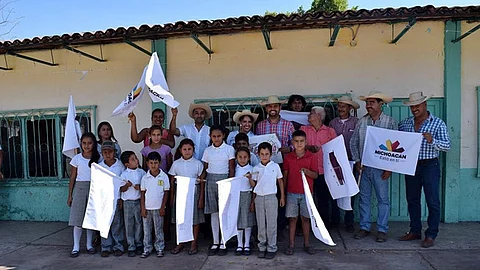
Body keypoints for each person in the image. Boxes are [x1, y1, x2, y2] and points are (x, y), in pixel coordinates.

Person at [398, 92, 451, 248]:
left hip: (430, 165)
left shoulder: (438, 123)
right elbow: (399, 143)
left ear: (425, 105)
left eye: (417, 106)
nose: (414, 109)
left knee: (432, 200)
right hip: (411, 165)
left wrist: (432, 140)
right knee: (412, 200)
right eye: (412, 106)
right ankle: (415, 231)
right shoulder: (405, 124)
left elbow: (447, 146)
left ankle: (431, 234)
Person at [350, 91, 398, 243]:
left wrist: (389, 167)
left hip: (381, 168)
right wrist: (357, 161)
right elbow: (353, 142)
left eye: (372, 102)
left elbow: (395, 146)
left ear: (380, 104)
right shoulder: (362, 122)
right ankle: (364, 227)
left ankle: (382, 229)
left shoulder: (390, 122)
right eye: (367, 102)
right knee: (364, 198)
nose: (368, 105)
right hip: (364, 166)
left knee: (382, 199)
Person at [256, 95, 294, 242]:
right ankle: (264, 231)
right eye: (270, 106)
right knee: (266, 196)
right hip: (264, 166)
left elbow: (294, 143)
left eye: (275, 106)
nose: (272, 108)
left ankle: (280, 226)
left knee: (281, 196)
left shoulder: (288, 125)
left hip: (282, 165)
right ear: (266, 108)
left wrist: (288, 148)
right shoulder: (260, 126)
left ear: (280, 108)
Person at [300, 107, 337, 228]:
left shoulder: (330, 131)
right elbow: (296, 145)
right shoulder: (303, 129)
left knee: (323, 200)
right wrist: (308, 148)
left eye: (311, 113)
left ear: (319, 116)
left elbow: (335, 151)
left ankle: (323, 226)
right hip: (307, 170)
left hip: (324, 170)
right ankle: (305, 226)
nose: (308, 115)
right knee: (306, 200)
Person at [283, 130, 318, 256]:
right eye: (296, 141)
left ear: (306, 142)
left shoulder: (311, 157)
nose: (299, 144)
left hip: (307, 194)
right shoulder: (288, 158)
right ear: (292, 142)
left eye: (301, 141)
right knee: (292, 219)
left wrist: (306, 171)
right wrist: (284, 193)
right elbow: (285, 176)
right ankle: (291, 244)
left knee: (306, 219)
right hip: (291, 192)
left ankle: (307, 243)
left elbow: (315, 175)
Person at [247, 142, 285, 260]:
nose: (264, 156)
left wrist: (282, 196)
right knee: (261, 224)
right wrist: (249, 179)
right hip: (259, 198)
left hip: (271, 197)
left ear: (271, 154)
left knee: (272, 224)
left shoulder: (275, 166)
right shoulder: (256, 168)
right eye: (262, 154)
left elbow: (280, 181)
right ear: (258, 154)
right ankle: (262, 247)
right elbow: (254, 185)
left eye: (266, 154)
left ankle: (272, 247)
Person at [202, 125, 235, 256]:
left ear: (223, 136)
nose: (216, 139)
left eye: (219, 136)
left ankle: (223, 241)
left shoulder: (229, 149)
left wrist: (230, 183)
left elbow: (231, 168)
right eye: (214, 136)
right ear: (210, 137)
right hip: (210, 180)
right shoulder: (207, 150)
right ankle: (215, 241)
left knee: (224, 213)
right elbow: (205, 168)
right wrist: (201, 180)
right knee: (214, 212)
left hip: (224, 181)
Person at [168, 138, 205, 255]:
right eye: (184, 149)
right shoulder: (176, 163)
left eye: (189, 149)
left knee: (194, 219)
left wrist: (201, 198)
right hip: (180, 193)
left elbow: (202, 182)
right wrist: (172, 197)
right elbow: (172, 181)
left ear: (193, 150)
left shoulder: (198, 163)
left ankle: (193, 243)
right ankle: (180, 242)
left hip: (194, 192)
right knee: (181, 219)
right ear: (180, 150)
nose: (187, 151)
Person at [67, 132, 101, 258]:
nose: (87, 146)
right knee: (77, 219)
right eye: (84, 143)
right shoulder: (77, 158)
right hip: (80, 189)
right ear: (81, 144)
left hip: (94, 189)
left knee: (90, 219)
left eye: (90, 143)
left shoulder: (98, 158)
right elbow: (73, 177)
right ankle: (75, 246)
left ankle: (89, 245)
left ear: (94, 144)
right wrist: (70, 195)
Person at [329, 95, 360, 233]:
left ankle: (349, 221)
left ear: (350, 108)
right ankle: (335, 220)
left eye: (344, 106)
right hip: (335, 163)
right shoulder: (332, 123)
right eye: (339, 106)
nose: (340, 108)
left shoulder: (357, 123)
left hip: (352, 162)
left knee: (351, 192)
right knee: (335, 190)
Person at [98, 141, 126, 257]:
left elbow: (123, 183)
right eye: (105, 152)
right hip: (104, 200)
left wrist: (120, 199)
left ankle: (118, 246)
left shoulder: (120, 166)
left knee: (117, 224)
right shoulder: (99, 166)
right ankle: (106, 247)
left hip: (116, 199)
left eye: (110, 151)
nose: (107, 154)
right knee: (104, 225)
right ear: (102, 153)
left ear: (115, 152)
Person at [140, 152, 170, 258]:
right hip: (147, 208)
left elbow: (166, 192)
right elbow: (142, 193)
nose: (153, 165)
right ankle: (147, 248)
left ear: (160, 163)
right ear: (147, 163)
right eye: (151, 163)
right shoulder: (145, 178)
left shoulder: (164, 177)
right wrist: (143, 208)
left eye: (156, 163)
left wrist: (163, 207)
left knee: (158, 229)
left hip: (158, 208)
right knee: (147, 230)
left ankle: (160, 247)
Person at [120, 151, 146, 257]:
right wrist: (127, 186)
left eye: (136, 158)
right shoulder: (124, 174)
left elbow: (145, 186)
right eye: (133, 159)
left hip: (139, 201)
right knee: (129, 224)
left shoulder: (142, 172)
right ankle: (131, 245)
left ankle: (139, 243)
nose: (136, 160)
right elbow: (121, 188)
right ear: (127, 164)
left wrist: (140, 187)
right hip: (128, 202)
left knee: (139, 223)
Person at [234, 147, 256, 256]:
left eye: (245, 157)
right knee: (238, 221)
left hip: (247, 195)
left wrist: (250, 178)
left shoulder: (252, 169)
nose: (242, 159)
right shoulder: (234, 169)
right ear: (236, 158)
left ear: (249, 158)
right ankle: (239, 244)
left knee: (247, 220)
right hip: (236, 196)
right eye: (240, 157)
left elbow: (254, 186)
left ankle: (246, 244)